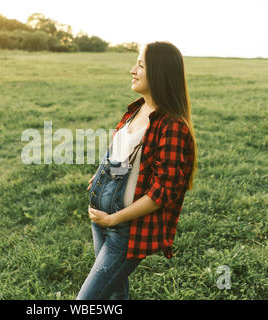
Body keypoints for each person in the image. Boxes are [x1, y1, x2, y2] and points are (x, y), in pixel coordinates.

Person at [77, 41, 198, 300]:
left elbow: (162, 192)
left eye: (140, 65)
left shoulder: (172, 126)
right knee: (114, 294)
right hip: (101, 218)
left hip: (125, 228)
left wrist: (115, 219)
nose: (132, 70)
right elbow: (120, 156)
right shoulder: (137, 109)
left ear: (159, 72)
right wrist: (100, 177)